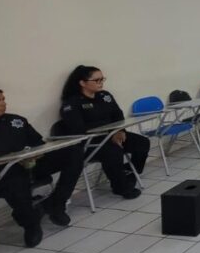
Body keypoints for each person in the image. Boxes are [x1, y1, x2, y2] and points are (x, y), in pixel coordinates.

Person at [0, 87, 84, 247]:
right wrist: (1, 157)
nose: (3, 103)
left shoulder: (16, 121)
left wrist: (36, 153)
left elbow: (37, 143)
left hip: (27, 166)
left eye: (3, 99)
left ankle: (56, 204)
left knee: (73, 153)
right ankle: (31, 224)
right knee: (15, 179)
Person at [59, 65, 149, 199]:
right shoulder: (72, 103)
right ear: (82, 83)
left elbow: (117, 115)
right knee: (113, 151)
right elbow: (78, 128)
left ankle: (129, 172)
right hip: (91, 142)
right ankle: (120, 187)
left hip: (112, 134)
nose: (101, 83)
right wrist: (110, 131)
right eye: (97, 80)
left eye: (102, 79)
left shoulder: (105, 96)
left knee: (142, 143)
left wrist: (120, 130)